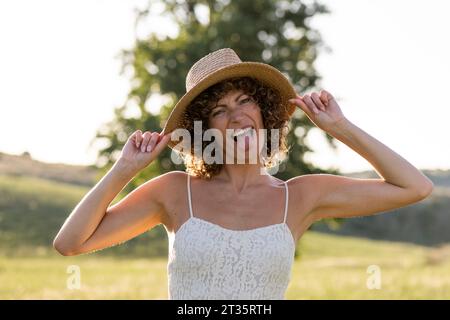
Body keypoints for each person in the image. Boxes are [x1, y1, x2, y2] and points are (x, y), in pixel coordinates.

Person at [53, 48, 434, 300]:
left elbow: (414, 186)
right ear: (206, 128)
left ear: (264, 112)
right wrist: (124, 169)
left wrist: (340, 128)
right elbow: (70, 243)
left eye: (245, 100)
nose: (236, 116)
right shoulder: (173, 192)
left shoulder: (300, 197)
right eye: (219, 110)